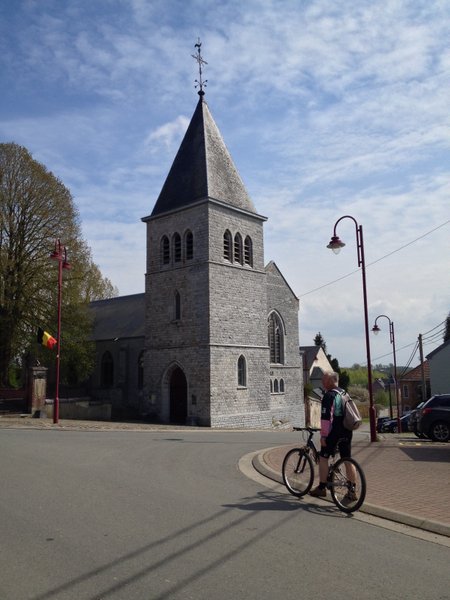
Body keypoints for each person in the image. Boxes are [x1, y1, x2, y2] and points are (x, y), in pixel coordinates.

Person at [309, 370, 357, 503]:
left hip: (334, 433)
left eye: (324, 380)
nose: (322, 382)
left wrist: (324, 436)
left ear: (330, 381)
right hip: (347, 431)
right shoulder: (344, 393)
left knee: (323, 457)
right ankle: (352, 490)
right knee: (347, 459)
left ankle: (322, 487)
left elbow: (325, 419)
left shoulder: (329, 396)